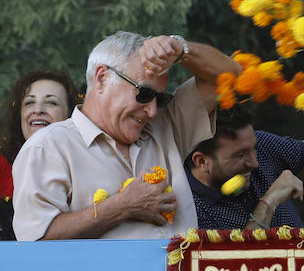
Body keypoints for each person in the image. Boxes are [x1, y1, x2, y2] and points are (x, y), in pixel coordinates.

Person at [11, 31, 239, 240]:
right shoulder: (48, 147)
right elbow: (36, 241)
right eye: (145, 93)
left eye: (160, 99)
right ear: (101, 78)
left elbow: (231, 77)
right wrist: (123, 206)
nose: (152, 110)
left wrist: (179, 48)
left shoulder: (165, 126)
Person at [0, 70, 80, 240]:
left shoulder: (84, 164)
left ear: (71, 114)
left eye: (51, 102)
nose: (38, 110)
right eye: (29, 102)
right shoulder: (2, 164)